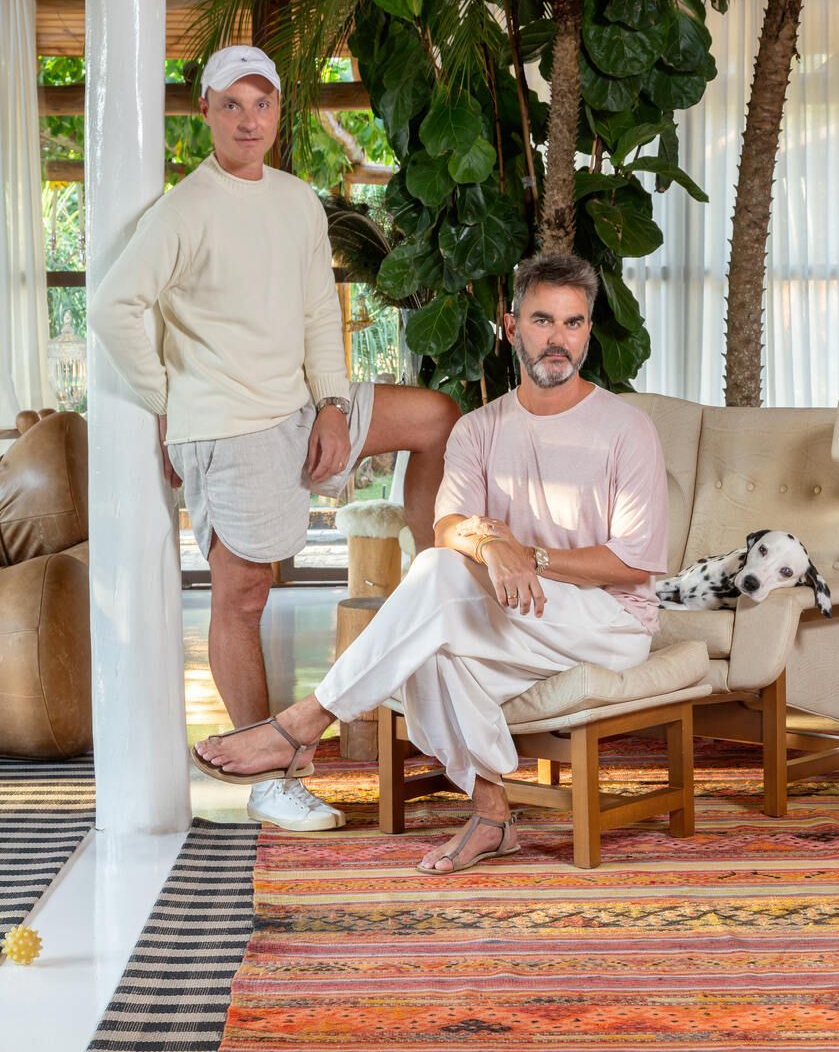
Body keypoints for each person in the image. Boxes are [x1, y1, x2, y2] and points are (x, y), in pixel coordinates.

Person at [193, 253, 669, 872]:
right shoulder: (478, 429)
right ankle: (493, 817)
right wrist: (493, 545)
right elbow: (448, 527)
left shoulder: (626, 428)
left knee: (438, 580)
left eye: (573, 323)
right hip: (524, 613)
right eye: (542, 320)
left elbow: (633, 564)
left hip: (610, 622)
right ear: (511, 326)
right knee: (429, 644)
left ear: (587, 331)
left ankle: (303, 724)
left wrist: (530, 555)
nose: (558, 338)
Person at [88, 45, 460, 832]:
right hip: (229, 422)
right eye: (231, 104)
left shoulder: (295, 201)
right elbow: (112, 307)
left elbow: (319, 311)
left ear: (278, 112)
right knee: (244, 594)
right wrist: (166, 399)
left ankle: (441, 596)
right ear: (206, 112)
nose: (248, 120)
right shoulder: (185, 209)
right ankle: (273, 776)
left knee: (434, 417)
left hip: (300, 404)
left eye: (261, 104)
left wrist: (332, 404)